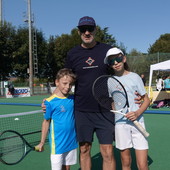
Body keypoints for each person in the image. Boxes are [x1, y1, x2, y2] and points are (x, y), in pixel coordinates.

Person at [42, 16, 142, 170]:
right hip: (82, 111)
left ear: (95, 30)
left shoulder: (107, 50)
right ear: (78, 32)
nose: (87, 32)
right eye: (83, 29)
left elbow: (120, 72)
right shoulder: (72, 54)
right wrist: (50, 99)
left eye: (90, 29)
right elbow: (65, 79)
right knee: (84, 149)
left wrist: (135, 93)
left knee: (108, 152)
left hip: (105, 110)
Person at [104, 47, 150, 170]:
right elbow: (114, 102)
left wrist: (137, 112)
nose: (115, 63)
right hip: (120, 125)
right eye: (111, 61)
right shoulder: (109, 81)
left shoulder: (135, 77)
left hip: (138, 122)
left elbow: (146, 100)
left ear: (124, 59)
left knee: (142, 165)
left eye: (118, 59)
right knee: (125, 163)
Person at [36, 68, 78, 170]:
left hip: (71, 141)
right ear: (57, 82)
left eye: (70, 84)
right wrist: (42, 142)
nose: (68, 87)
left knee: (67, 167)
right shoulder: (49, 102)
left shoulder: (73, 99)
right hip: (58, 144)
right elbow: (46, 122)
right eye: (64, 83)